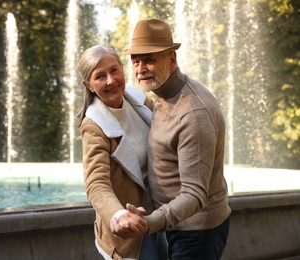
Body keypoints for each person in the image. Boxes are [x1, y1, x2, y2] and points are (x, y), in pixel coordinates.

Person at [112, 18, 231, 259]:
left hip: (198, 231)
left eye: (150, 59)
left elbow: (194, 195)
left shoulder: (192, 113)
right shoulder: (164, 95)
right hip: (179, 226)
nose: (140, 68)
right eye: (135, 61)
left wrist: (149, 223)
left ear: (172, 59)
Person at [77, 45, 166, 260]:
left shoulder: (139, 99)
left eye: (114, 70)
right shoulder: (94, 125)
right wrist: (119, 215)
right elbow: (96, 184)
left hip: (162, 214)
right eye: (100, 76)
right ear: (89, 85)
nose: (110, 80)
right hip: (131, 229)